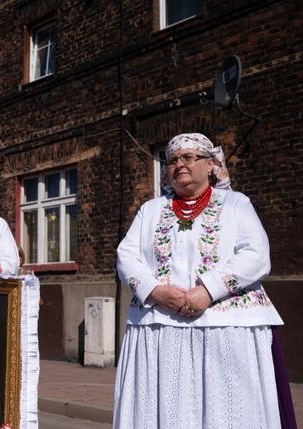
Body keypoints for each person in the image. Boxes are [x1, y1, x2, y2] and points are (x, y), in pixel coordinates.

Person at [114, 133, 290, 428]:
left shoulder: (235, 203)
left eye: (189, 157)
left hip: (227, 327)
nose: (179, 164)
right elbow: (126, 256)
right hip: (159, 328)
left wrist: (208, 290)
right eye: (172, 160)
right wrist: (155, 291)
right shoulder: (151, 210)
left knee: (228, 408)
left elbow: (257, 255)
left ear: (211, 165)